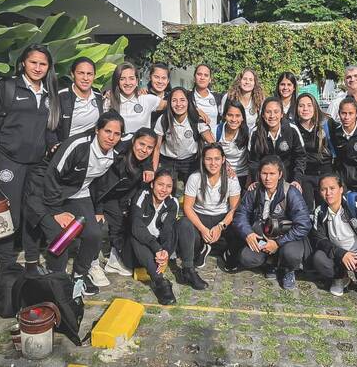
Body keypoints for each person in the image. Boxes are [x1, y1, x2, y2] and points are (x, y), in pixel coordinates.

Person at [0, 44, 60, 269]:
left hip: (36, 165)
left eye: (42, 64)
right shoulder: (6, 86)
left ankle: (32, 261)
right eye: (33, 62)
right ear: (23, 62)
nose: (37, 67)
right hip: (8, 162)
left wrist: (53, 144)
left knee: (32, 213)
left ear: (48, 67)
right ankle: (6, 265)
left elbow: (50, 128)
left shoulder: (49, 92)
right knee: (8, 216)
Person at [27, 111, 124, 296]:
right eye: (107, 131)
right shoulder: (77, 145)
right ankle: (57, 279)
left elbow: (99, 185)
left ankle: (80, 274)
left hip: (78, 194)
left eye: (117, 134)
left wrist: (98, 209)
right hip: (47, 193)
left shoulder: (115, 154)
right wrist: (56, 211)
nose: (111, 137)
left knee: (94, 234)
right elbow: (52, 176)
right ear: (97, 130)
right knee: (61, 237)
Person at [89, 128, 158, 287]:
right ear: (133, 141)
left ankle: (114, 260)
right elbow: (99, 183)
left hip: (116, 198)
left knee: (121, 224)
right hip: (95, 196)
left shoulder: (144, 162)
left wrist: (148, 165)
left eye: (149, 148)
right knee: (96, 229)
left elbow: (143, 164)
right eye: (141, 144)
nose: (144, 150)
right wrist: (98, 210)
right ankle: (91, 265)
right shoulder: (117, 154)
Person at [233, 155, 312, 289]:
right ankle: (271, 263)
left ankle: (288, 270)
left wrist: (277, 243)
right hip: (263, 238)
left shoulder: (291, 192)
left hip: (287, 239)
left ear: (280, 174)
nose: (268, 178)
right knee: (246, 257)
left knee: (291, 255)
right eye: (264, 173)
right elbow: (240, 215)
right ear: (259, 174)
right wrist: (248, 233)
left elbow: (304, 224)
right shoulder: (254, 190)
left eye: (272, 174)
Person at [176, 143, 242, 289]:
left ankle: (222, 251)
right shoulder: (195, 178)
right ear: (203, 160)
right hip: (200, 217)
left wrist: (221, 226)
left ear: (223, 160)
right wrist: (202, 229)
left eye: (217, 159)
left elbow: (234, 208)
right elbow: (187, 207)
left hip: (223, 219)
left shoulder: (231, 178)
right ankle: (188, 269)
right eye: (209, 159)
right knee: (183, 224)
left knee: (240, 223)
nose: (213, 163)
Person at [310, 173, 357, 300]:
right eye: (324, 189)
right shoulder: (320, 211)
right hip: (340, 255)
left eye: (332, 188)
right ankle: (341, 278)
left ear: (341, 189)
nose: (328, 193)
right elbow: (319, 239)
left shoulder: (355, 203)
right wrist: (341, 253)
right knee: (319, 258)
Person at [130, 169, 179, 305]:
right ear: (152, 184)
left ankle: (188, 269)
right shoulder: (142, 195)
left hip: (156, 252)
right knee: (137, 234)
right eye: (160, 184)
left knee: (181, 224)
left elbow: (168, 231)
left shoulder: (172, 202)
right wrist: (156, 248)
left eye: (168, 186)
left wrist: (165, 252)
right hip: (136, 252)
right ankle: (160, 281)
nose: (164, 190)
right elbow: (136, 226)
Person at [153, 86, 214, 184]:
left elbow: (212, 143)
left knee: (189, 191)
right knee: (166, 189)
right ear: (169, 103)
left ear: (188, 102)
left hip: (190, 162)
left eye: (182, 100)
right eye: (174, 100)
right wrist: (154, 171)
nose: (178, 104)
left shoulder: (196, 119)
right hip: (167, 161)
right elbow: (156, 148)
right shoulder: (164, 119)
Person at [248, 97, 306, 191]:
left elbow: (300, 157)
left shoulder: (292, 130)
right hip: (265, 181)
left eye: (276, 112)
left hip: (289, 179)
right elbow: (253, 161)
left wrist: (297, 180)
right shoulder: (255, 133)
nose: (272, 116)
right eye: (268, 112)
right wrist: (256, 180)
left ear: (282, 114)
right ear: (262, 115)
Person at [46, 57, 104, 150]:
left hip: (92, 151)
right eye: (81, 73)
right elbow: (49, 127)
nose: (85, 78)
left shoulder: (99, 97)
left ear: (94, 76)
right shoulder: (60, 97)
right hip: (68, 151)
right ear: (72, 74)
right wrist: (54, 145)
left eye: (89, 74)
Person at [106, 62, 166, 143]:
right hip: (117, 152)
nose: (127, 83)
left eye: (131, 78)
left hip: (143, 151)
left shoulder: (146, 99)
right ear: (117, 81)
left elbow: (175, 105)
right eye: (122, 79)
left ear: (137, 81)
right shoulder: (108, 102)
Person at [294, 93, 334, 212]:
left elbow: (337, 148)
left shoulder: (326, 124)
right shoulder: (293, 128)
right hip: (305, 176)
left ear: (315, 107)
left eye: (309, 105)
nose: (305, 109)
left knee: (325, 210)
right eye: (301, 106)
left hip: (325, 174)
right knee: (307, 211)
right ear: (296, 109)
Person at [215, 100, 250, 189]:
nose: (234, 119)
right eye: (230, 115)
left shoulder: (248, 132)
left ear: (243, 117)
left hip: (243, 176)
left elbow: (252, 157)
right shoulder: (216, 131)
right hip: (222, 175)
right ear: (224, 116)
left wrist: (249, 178)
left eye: (237, 116)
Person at [189, 64, 223, 129]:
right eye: (199, 74)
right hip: (193, 138)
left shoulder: (218, 97)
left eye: (206, 75)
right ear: (194, 78)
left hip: (213, 138)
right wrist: (194, 109)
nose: (202, 78)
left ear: (210, 79)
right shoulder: (187, 96)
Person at [147, 63, 172, 127]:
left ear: (168, 80)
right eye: (156, 77)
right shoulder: (144, 96)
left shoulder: (172, 97)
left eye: (164, 78)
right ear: (150, 77)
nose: (160, 81)